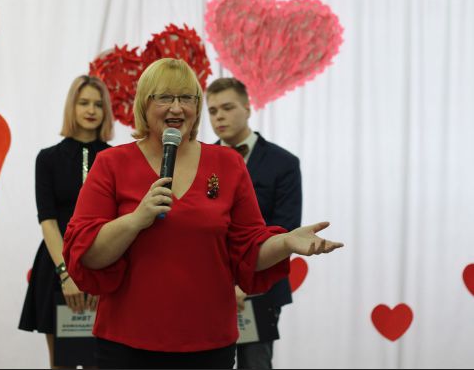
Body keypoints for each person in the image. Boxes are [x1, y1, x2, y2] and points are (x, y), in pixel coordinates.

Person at [63, 58, 343, 369]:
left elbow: (249, 250)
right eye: (165, 97)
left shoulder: (228, 164)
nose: (177, 107)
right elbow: (88, 254)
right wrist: (135, 220)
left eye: (187, 98)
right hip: (127, 342)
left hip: (208, 342)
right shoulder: (111, 164)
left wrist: (286, 242)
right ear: (144, 104)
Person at [19, 75, 115, 369]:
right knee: (62, 364)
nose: (91, 110)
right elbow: (47, 221)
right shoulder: (47, 159)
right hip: (57, 267)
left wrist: (100, 278)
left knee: (103, 363)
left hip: (106, 268)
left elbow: (120, 221)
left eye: (98, 104)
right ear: (71, 107)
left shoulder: (117, 158)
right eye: (84, 102)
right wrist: (67, 275)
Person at [206, 77, 301, 369]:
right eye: (212, 111)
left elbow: (285, 229)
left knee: (255, 364)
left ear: (247, 108)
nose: (219, 117)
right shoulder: (199, 161)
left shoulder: (283, 163)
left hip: (262, 288)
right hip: (207, 287)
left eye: (227, 108)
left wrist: (244, 284)